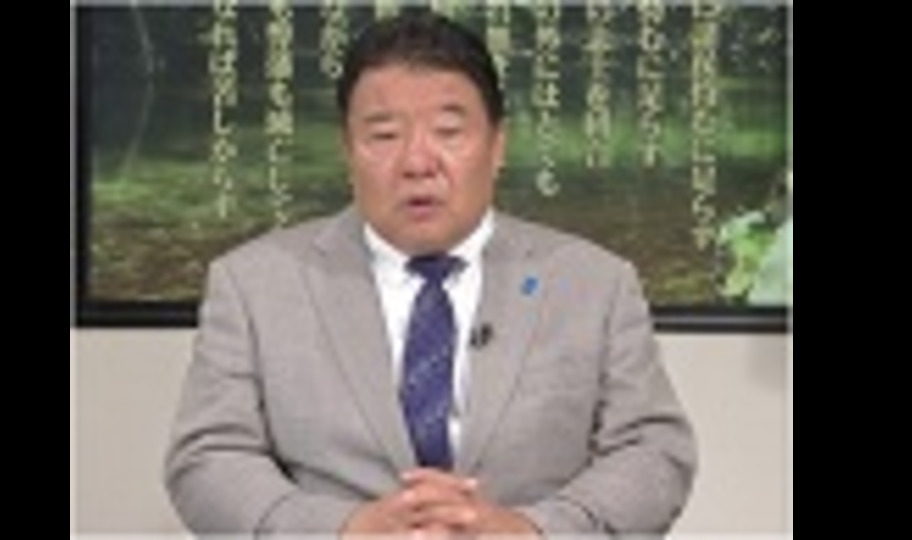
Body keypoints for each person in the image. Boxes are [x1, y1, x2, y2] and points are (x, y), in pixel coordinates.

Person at [165, 10, 696, 536]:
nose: (417, 163)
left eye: (448, 131)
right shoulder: (255, 285)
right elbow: (208, 456)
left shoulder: (593, 285)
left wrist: (531, 530)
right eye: (384, 135)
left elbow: (653, 451)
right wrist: (344, 529)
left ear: (497, 145)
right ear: (348, 150)